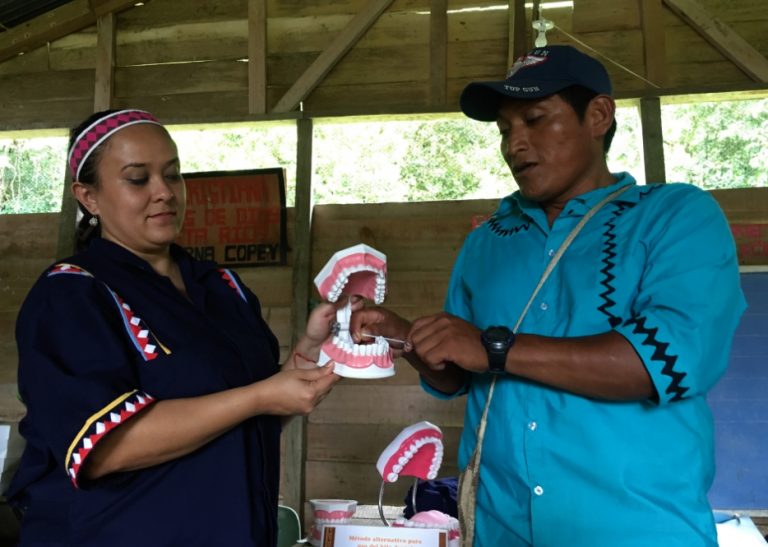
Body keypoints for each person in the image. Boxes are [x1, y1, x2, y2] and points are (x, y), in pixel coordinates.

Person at [350, 45, 746, 546]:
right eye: (503, 130)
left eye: (535, 120)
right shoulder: (488, 241)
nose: (515, 144)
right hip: (502, 528)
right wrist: (405, 335)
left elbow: (663, 362)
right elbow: (458, 376)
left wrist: (495, 347)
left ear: (598, 116)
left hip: (636, 531)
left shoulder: (676, 217)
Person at [5, 109, 347, 546]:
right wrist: (260, 395)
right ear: (88, 197)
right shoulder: (73, 294)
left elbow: (252, 415)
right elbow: (106, 448)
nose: (164, 192)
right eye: (137, 178)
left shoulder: (220, 287)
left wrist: (312, 347)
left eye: (173, 174)